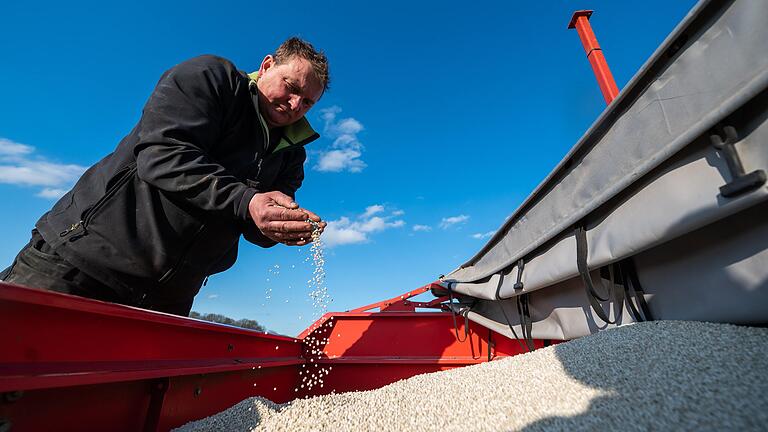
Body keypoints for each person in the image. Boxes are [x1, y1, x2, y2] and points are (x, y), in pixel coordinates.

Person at [0, 37, 329, 316]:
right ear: (268, 65)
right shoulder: (213, 79)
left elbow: (252, 224)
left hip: (168, 297)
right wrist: (248, 200)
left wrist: (282, 226)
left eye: (309, 101)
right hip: (85, 261)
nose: (296, 103)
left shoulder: (292, 153)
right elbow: (162, 155)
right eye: (291, 86)